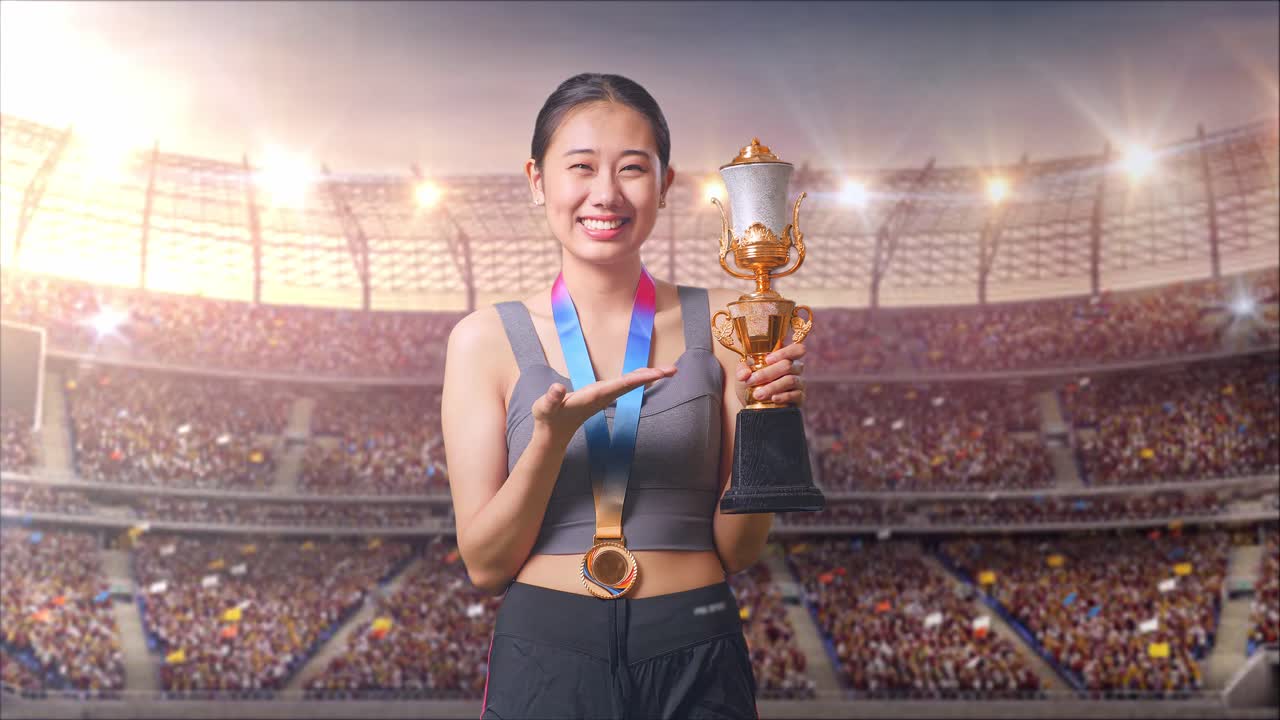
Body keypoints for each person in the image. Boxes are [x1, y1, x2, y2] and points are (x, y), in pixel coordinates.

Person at [441, 72, 808, 720]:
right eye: (580, 166)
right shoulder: (485, 340)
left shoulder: (730, 325)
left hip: (696, 641)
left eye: (632, 168)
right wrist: (548, 444)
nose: (605, 193)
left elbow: (739, 551)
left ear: (666, 185)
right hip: (547, 655)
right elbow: (486, 565)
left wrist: (766, 422)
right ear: (537, 180)